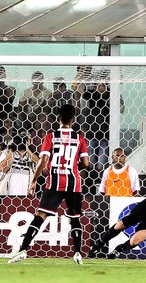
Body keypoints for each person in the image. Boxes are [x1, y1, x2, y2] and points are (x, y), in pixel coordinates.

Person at [8, 104, 90, 265]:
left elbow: (43, 160)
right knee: (74, 217)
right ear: (73, 120)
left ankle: (23, 250)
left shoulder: (51, 136)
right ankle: (78, 253)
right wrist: (74, 168)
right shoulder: (80, 138)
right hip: (73, 182)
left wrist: (33, 181)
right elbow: (86, 163)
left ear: (59, 118)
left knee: (41, 215)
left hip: (54, 181)